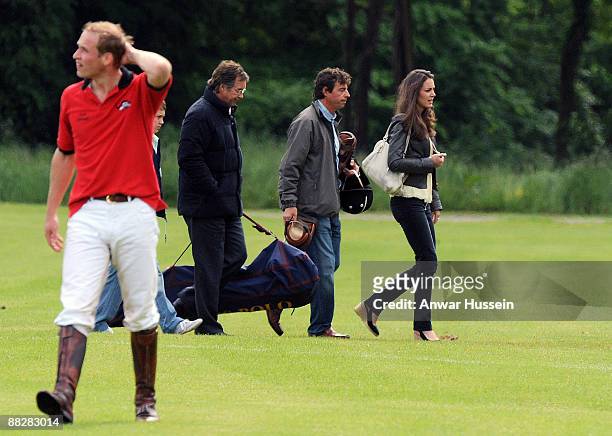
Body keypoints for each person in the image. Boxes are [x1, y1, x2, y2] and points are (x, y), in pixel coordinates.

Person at [37, 21, 172, 423]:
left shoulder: (139, 92)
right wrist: (50, 214)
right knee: (75, 304)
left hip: (135, 212)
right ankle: (63, 396)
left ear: (108, 59)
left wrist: (129, 54)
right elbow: (65, 155)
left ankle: (145, 400)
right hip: (88, 214)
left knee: (141, 310)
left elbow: (162, 69)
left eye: (84, 50)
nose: (76, 55)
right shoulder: (70, 98)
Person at [354, 69, 456, 341]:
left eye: (434, 89)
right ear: (414, 93)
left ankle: (414, 325)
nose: (433, 94)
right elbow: (394, 162)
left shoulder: (425, 123)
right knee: (429, 261)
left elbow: (430, 171)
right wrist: (428, 163)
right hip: (405, 201)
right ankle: (414, 324)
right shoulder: (403, 123)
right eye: (428, 90)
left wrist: (435, 201)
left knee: (427, 263)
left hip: (420, 201)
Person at [179, 60, 279, 336]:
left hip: (228, 204)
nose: (242, 95)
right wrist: (213, 187)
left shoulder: (226, 112)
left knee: (236, 255)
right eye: (238, 89)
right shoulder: (199, 114)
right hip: (205, 206)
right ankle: (208, 325)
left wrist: (230, 195)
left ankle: (190, 299)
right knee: (209, 265)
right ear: (221, 87)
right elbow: (188, 158)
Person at [94, 101, 202, 335]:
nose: (161, 121)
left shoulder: (153, 142)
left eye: (163, 117)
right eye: (157, 117)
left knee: (116, 273)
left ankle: (97, 320)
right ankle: (171, 322)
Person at [278, 67, 354, 338]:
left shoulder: (331, 122)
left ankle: (279, 299)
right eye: (341, 89)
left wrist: (344, 169)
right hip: (312, 212)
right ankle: (321, 327)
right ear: (325, 91)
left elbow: (321, 166)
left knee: (330, 267)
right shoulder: (306, 122)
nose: (347, 94)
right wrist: (289, 203)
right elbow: (290, 167)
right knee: (324, 271)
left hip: (331, 210)